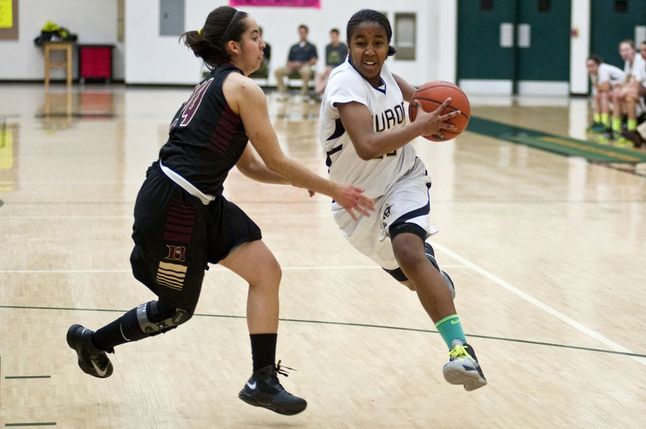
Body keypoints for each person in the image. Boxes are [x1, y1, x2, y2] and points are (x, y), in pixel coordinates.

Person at [66, 5, 374, 417]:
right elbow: (277, 160)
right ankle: (95, 342)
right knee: (175, 310)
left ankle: (262, 379)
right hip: (174, 204)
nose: (262, 43)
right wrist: (333, 187)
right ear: (233, 46)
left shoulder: (217, 85)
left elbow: (248, 165)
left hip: (201, 200)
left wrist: (304, 182)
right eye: (255, 36)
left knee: (266, 272)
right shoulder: (244, 89)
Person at [318, 9, 487, 391]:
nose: (370, 51)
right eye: (360, 43)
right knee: (414, 278)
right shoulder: (345, 85)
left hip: (402, 179)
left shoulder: (390, 79)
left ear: (388, 46)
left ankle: (461, 352)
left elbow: (425, 103)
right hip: (356, 203)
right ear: (348, 46)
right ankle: (432, 278)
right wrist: (419, 126)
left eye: (378, 42)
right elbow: (366, 146)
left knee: (409, 250)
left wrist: (446, 114)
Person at [606, 40, 646, 145]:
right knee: (615, 95)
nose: (624, 52)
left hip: (641, 95)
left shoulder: (640, 61)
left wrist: (623, 89)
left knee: (628, 97)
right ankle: (616, 130)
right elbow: (629, 80)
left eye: (627, 49)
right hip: (639, 92)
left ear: (633, 50)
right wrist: (618, 86)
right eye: (622, 50)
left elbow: (635, 84)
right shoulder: (629, 62)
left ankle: (631, 130)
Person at [274, 24, 318, 98]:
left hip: (304, 66)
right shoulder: (294, 47)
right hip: (292, 67)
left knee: (306, 72)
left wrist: (301, 64)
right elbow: (288, 61)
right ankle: (283, 92)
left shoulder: (311, 46)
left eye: (303, 32)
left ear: (307, 33)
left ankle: (303, 94)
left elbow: (314, 61)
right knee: (277, 71)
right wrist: (291, 64)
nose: (301, 34)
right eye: (300, 32)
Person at [585, 55, 624, 133]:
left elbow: (605, 88)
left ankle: (605, 123)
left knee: (603, 95)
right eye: (588, 66)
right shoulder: (592, 73)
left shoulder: (603, 69)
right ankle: (597, 122)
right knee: (597, 96)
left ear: (598, 64)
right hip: (614, 89)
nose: (590, 68)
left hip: (623, 87)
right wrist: (601, 87)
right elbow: (598, 88)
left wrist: (601, 87)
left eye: (592, 65)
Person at [314, 28, 348, 96]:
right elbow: (327, 62)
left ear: (338, 36)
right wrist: (326, 69)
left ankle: (318, 92)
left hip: (339, 68)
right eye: (332, 37)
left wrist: (332, 68)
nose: (333, 38)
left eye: (334, 36)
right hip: (329, 68)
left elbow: (345, 61)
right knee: (319, 74)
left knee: (329, 75)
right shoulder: (328, 47)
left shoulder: (343, 47)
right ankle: (317, 90)